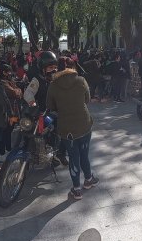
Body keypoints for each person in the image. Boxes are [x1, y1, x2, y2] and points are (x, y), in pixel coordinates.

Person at [47, 57, 98, 200]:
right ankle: (88, 179)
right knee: (84, 155)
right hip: (84, 124)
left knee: (74, 158)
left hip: (66, 128)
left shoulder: (53, 85)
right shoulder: (81, 80)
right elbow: (87, 100)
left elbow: (50, 106)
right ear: (73, 66)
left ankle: (76, 189)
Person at [24, 51, 68, 166]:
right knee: (33, 132)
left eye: (54, 67)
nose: (53, 69)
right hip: (40, 113)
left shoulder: (56, 79)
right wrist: (33, 105)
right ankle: (34, 153)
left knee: (59, 130)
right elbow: (28, 93)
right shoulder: (37, 80)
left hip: (53, 112)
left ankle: (58, 154)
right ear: (43, 67)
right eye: (50, 67)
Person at [0, 64, 22, 154]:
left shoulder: (9, 81)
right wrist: (18, 91)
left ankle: (7, 148)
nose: (10, 73)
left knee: (10, 130)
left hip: (14, 110)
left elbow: (18, 91)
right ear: (4, 72)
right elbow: (15, 93)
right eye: (8, 71)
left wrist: (18, 91)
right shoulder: (2, 82)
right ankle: (4, 150)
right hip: (9, 112)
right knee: (7, 130)